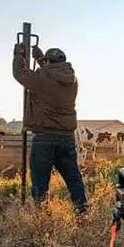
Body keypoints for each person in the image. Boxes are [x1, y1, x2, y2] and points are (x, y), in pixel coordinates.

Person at [12, 42, 88, 214]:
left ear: (48, 62)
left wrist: (18, 56)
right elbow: (52, 75)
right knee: (73, 178)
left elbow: (20, 74)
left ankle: (42, 217)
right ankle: (82, 212)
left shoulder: (41, 78)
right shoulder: (72, 80)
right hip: (67, 138)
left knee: (40, 182)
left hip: (44, 138)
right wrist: (40, 58)